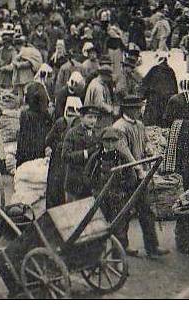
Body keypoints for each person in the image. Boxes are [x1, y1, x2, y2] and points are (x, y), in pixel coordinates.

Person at [112, 95, 168, 258]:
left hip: (140, 174)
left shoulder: (140, 125)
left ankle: (152, 247)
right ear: (129, 109)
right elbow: (125, 152)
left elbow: (145, 142)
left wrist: (150, 149)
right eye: (137, 108)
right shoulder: (119, 127)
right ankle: (121, 248)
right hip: (125, 176)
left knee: (146, 209)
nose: (140, 110)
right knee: (124, 212)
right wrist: (138, 169)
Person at [85, 127, 141, 256]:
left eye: (113, 141)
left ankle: (118, 258)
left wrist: (124, 191)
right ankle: (98, 257)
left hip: (118, 198)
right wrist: (95, 190)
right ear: (102, 142)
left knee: (120, 228)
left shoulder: (122, 157)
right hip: (100, 198)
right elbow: (86, 176)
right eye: (107, 141)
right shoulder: (96, 157)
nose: (110, 145)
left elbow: (131, 178)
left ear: (117, 142)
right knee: (99, 228)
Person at [45, 96, 82, 208]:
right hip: (71, 160)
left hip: (57, 159)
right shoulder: (79, 124)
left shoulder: (60, 121)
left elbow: (48, 139)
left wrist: (55, 145)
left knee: (55, 187)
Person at [62, 105, 100, 202]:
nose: (93, 121)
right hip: (75, 183)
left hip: (89, 183)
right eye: (89, 117)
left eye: (95, 117)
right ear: (81, 117)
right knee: (73, 213)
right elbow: (65, 156)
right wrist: (86, 153)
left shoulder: (96, 135)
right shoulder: (72, 133)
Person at [16, 78, 53, 166]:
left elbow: (22, 136)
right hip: (40, 147)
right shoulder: (46, 114)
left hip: (27, 148)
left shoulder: (25, 115)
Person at [140, 52, 177, 128]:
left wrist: (142, 97)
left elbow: (145, 84)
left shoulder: (154, 70)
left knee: (151, 127)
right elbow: (175, 89)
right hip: (166, 104)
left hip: (154, 104)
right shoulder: (171, 71)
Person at [84, 64, 117, 129]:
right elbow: (100, 105)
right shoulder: (98, 86)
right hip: (98, 120)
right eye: (109, 77)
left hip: (95, 117)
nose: (110, 79)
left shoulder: (99, 82)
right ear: (104, 75)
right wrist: (112, 110)